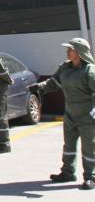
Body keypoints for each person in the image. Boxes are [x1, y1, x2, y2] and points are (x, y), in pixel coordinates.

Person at [28, 38, 95, 191]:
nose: (67, 52)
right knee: (68, 145)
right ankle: (67, 173)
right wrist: (39, 87)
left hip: (87, 117)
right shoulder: (65, 67)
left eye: (70, 49)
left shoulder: (90, 71)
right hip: (70, 114)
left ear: (79, 52)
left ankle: (90, 177)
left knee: (89, 148)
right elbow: (54, 83)